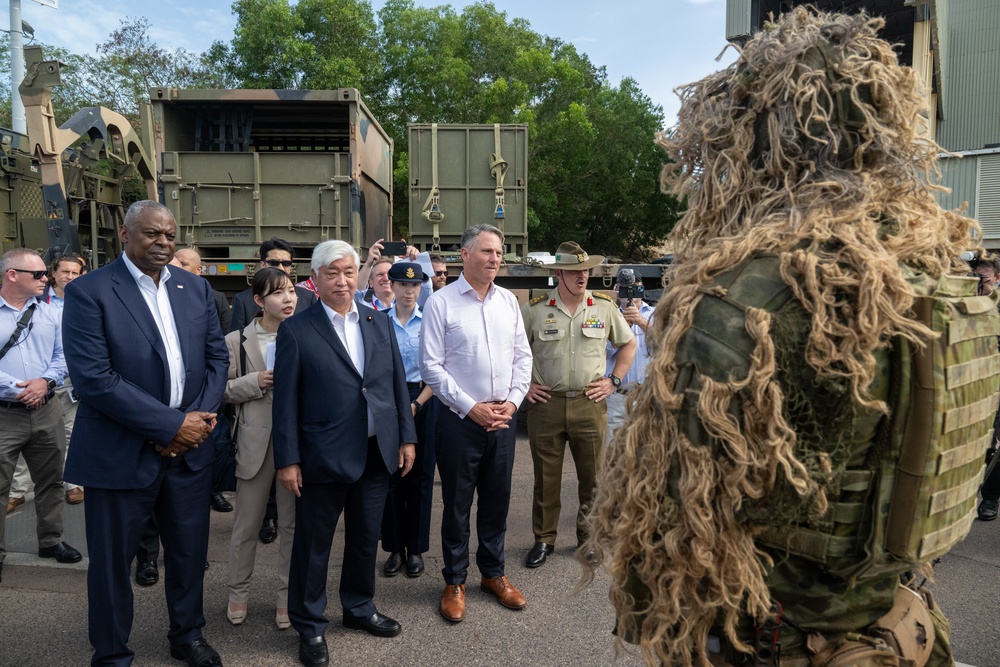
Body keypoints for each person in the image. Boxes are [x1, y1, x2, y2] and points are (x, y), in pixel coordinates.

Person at [584, 9, 989, 666]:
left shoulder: (743, 300)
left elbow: (668, 530)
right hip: (899, 630)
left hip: (773, 640)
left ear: (756, 135)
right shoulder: (940, 280)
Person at [63, 200, 228, 667]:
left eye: (170, 235)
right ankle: (113, 652)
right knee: (114, 563)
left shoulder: (195, 289)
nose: (162, 243)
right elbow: (94, 377)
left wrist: (194, 423)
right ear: (124, 234)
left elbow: (217, 361)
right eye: (152, 234)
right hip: (120, 453)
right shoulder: (90, 291)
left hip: (190, 452)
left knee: (189, 552)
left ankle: (187, 635)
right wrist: (171, 425)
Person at [272, 239, 416, 667]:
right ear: (314, 279)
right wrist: (288, 459)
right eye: (332, 273)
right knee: (313, 546)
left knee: (364, 538)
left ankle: (358, 607)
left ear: (361, 275)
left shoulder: (377, 320)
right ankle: (310, 626)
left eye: (348, 272)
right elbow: (286, 403)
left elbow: (394, 384)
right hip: (321, 456)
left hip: (374, 452)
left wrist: (405, 437)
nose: (342, 281)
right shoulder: (297, 329)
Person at [419, 223, 533, 623]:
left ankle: (493, 573)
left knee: (497, 501)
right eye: (487, 252)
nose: (495, 259)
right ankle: (454, 581)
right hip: (459, 422)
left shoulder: (508, 302)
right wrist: (471, 407)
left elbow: (523, 358)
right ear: (464, 255)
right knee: (457, 505)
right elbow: (430, 366)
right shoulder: (441, 303)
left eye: (499, 253)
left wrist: (513, 404)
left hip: (502, 420)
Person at [521, 242, 635, 568]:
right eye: (574, 271)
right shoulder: (535, 310)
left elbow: (628, 344)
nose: (582, 276)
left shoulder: (603, 308)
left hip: (589, 404)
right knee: (546, 478)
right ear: (559, 273)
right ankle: (544, 540)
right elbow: (512, 350)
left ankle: (589, 540)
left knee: (594, 479)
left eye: (585, 270)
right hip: (547, 405)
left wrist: (613, 380)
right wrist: (524, 384)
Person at [0, 248, 82, 585]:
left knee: (51, 481)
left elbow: (63, 356)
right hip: (5, 414)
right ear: (12, 275)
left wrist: (44, 381)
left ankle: (51, 541)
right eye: (38, 275)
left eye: (45, 274)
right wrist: (19, 386)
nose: (45, 279)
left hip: (47, 409)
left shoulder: (49, 315)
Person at [223, 267, 297, 630]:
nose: (288, 299)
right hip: (254, 443)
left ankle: (286, 598)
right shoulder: (236, 340)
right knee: (246, 526)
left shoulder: (305, 334)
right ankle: (238, 593)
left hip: (295, 445)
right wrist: (256, 381)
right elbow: (221, 389)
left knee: (292, 525)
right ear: (258, 300)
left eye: (292, 291)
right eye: (278, 293)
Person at [380, 261, 435, 579]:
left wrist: (415, 404)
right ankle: (394, 549)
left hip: (423, 400)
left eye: (414, 285)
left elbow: (439, 369)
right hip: (388, 401)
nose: (409, 290)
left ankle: (415, 549)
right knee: (390, 476)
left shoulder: (429, 321)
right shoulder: (378, 321)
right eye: (402, 284)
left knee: (420, 478)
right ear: (392, 286)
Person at [43, 252, 87, 504]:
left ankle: (73, 483)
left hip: (70, 378)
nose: (69, 277)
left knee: (71, 431)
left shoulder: (85, 300)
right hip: (38, 377)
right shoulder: (38, 300)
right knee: (32, 435)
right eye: (65, 272)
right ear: (54, 274)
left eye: (75, 273)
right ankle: (17, 491)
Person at [604, 272, 655, 445]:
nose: (630, 293)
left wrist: (641, 321)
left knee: (648, 453)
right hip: (616, 396)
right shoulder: (607, 315)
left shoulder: (657, 314)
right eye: (625, 288)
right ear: (617, 290)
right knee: (612, 454)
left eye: (635, 287)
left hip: (648, 397)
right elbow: (604, 353)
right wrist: (623, 328)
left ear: (642, 289)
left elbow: (667, 345)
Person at [967, 253, 1000, 521]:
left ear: (997, 278)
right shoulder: (964, 301)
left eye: (984, 278)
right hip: (974, 386)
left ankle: (989, 497)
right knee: (979, 446)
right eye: (974, 276)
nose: (978, 282)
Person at [230, 237, 316, 335]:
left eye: (286, 263)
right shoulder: (243, 300)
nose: (280, 268)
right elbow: (238, 340)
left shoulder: (308, 297)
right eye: (274, 263)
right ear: (262, 265)